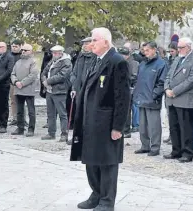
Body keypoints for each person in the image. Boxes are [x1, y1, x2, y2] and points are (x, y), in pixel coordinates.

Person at [71, 27, 130, 211]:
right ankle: (96, 194)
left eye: (95, 40)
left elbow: (123, 98)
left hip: (107, 122)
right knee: (91, 159)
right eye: (91, 40)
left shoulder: (117, 61)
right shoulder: (95, 60)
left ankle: (107, 200)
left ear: (106, 41)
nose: (91, 44)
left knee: (107, 162)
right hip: (90, 120)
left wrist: (118, 127)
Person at [164, 37, 193, 163]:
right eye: (178, 47)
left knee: (186, 127)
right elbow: (168, 75)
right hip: (172, 98)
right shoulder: (177, 59)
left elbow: (191, 80)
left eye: (181, 47)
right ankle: (176, 150)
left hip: (185, 99)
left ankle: (187, 152)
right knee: (173, 126)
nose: (179, 50)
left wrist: (175, 91)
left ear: (189, 47)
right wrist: (167, 88)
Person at [133, 41, 167, 157]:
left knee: (154, 126)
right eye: (144, 51)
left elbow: (162, 82)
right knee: (142, 126)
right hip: (142, 98)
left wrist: (154, 95)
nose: (145, 53)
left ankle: (155, 147)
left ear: (154, 50)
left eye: (147, 50)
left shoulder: (161, 64)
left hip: (152, 99)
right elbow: (139, 80)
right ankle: (145, 145)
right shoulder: (142, 64)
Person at [41, 45, 72, 142]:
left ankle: (64, 134)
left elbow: (62, 76)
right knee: (50, 113)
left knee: (62, 113)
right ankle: (51, 133)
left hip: (60, 90)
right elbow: (43, 72)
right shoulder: (52, 61)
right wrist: (44, 81)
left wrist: (48, 81)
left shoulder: (66, 62)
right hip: (49, 91)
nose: (54, 54)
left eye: (56, 52)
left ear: (61, 53)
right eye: (53, 52)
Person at [10, 44, 37, 136]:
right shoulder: (18, 62)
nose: (23, 52)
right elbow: (13, 74)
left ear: (31, 51)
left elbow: (33, 75)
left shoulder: (33, 62)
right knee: (19, 110)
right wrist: (16, 81)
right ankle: (20, 128)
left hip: (28, 90)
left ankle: (31, 129)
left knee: (31, 111)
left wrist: (22, 83)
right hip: (18, 89)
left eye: (26, 50)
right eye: (22, 50)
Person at [70, 37, 95, 132]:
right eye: (83, 44)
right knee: (79, 113)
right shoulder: (80, 56)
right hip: (78, 89)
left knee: (88, 113)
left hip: (89, 90)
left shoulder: (95, 57)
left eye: (86, 44)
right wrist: (74, 86)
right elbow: (74, 72)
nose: (84, 46)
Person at [8, 39, 24, 126]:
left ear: (20, 46)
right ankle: (14, 117)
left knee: (21, 101)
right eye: (13, 46)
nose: (14, 48)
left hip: (22, 82)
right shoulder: (9, 55)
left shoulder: (23, 55)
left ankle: (22, 118)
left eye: (16, 46)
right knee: (13, 101)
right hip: (11, 82)